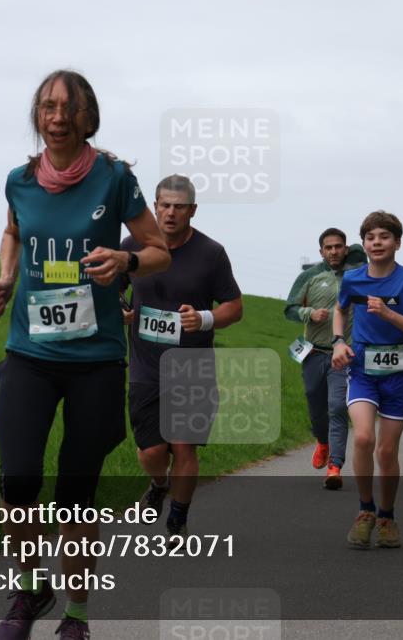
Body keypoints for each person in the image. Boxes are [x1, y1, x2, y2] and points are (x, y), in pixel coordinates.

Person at [0, 70, 171, 640]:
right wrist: (6, 277)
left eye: (67, 106)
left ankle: (78, 615)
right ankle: (30, 590)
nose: (55, 115)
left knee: (74, 494)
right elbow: (13, 232)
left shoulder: (115, 178)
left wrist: (127, 261)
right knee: (17, 481)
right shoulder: (18, 179)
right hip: (29, 352)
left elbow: (158, 249)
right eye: (46, 105)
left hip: (95, 358)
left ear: (88, 116)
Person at [121, 174, 243, 537]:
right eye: (164, 205)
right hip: (145, 367)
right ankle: (160, 484)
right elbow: (112, 289)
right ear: (154, 207)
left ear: (192, 210)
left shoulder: (211, 253)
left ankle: (178, 517)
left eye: (179, 207)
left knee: (183, 444)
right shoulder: (134, 245)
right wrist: (121, 310)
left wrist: (204, 319)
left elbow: (234, 307)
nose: (171, 213)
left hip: (192, 366)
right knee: (151, 451)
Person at [332, 211, 403, 549]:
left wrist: (389, 313)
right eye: (371, 237)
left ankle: (387, 516)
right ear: (364, 244)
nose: (377, 242)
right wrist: (338, 341)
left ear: (397, 243)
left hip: (398, 373)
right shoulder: (353, 279)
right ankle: (365, 511)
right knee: (362, 438)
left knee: (387, 452)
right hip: (361, 368)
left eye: (384, 237)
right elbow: (340, 309)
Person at [284, 228, 363, 489]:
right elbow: (290, 309)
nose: (334, 252)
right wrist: (308, 313)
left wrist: (352, 250)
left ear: (345, 247)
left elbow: (361, 250)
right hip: (313, 352)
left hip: (343, 353)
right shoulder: (309, 276)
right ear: (320, 251)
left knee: (338, 406)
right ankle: (322, 442)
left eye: (339, 246)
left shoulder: (356, 271)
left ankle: (335, 466)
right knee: (317, 409)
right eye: (328, 247)